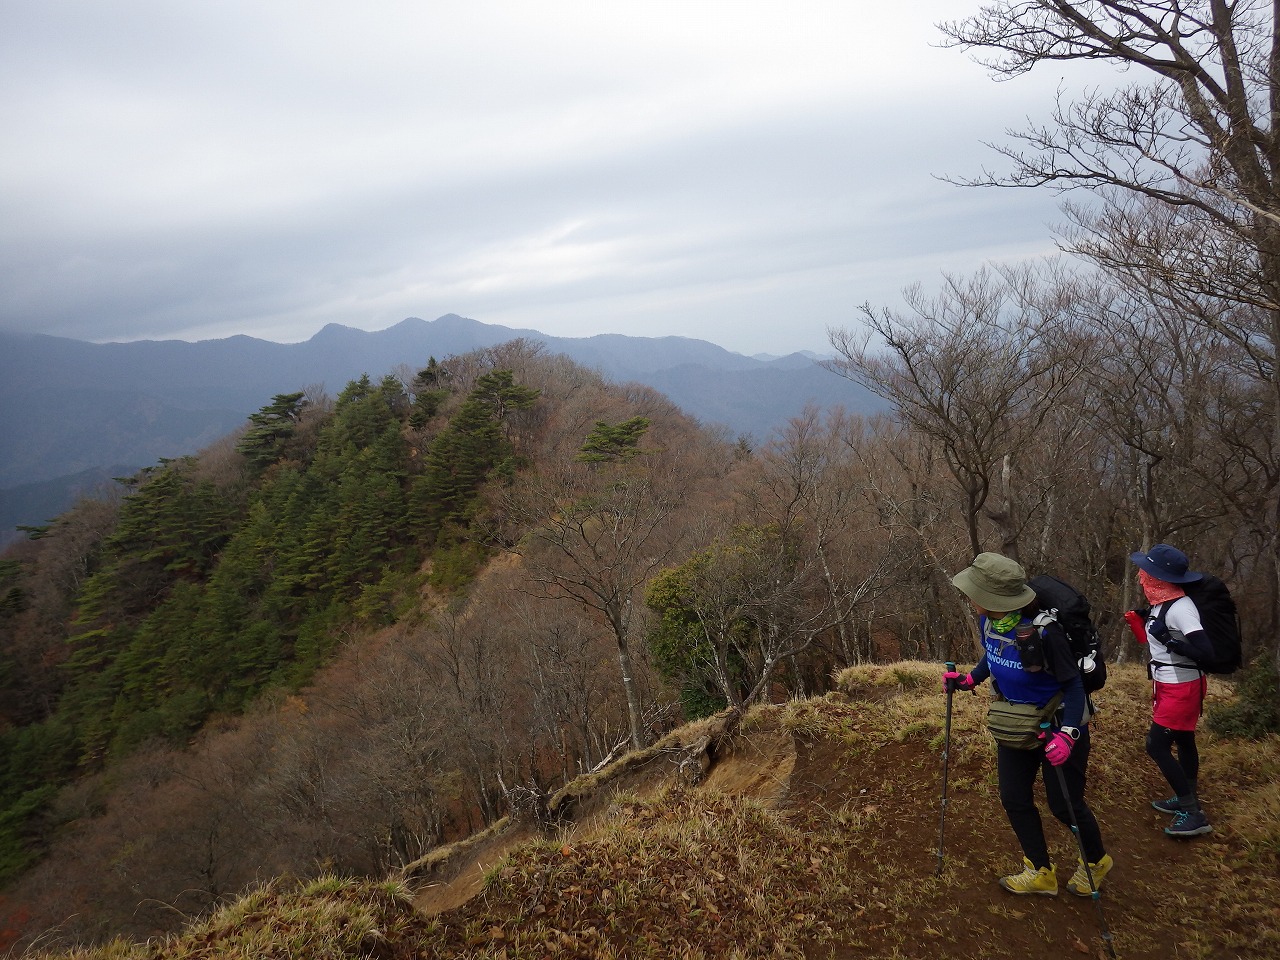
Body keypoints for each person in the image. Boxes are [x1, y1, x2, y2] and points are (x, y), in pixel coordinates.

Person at [944, 552, 1113, 896]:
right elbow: (993, 655)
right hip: (1015, 722)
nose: (970, 596)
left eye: (975, 591)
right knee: (1014, 798)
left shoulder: (1046, 632)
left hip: (1057, 723)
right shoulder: (989, 621)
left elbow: (1074, 684)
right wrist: (969, 680)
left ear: (994, 597)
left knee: (1064, 804)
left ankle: (1096, 861)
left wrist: (1069, 734)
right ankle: (1040, 871)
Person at [1124, 543, 1214, 838]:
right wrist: (1143, 623)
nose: (1141, 577)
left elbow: (1205, 651)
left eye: (1146, 572)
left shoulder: (1182, 609)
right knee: (1185, 739)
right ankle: (1186, 795)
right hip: (1168, 683)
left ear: (1160, 578)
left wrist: (1172, 641)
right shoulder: (1162, 603)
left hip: (1182, 686)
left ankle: (1192, 812)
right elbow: (1152, 644)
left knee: (1156, 745)